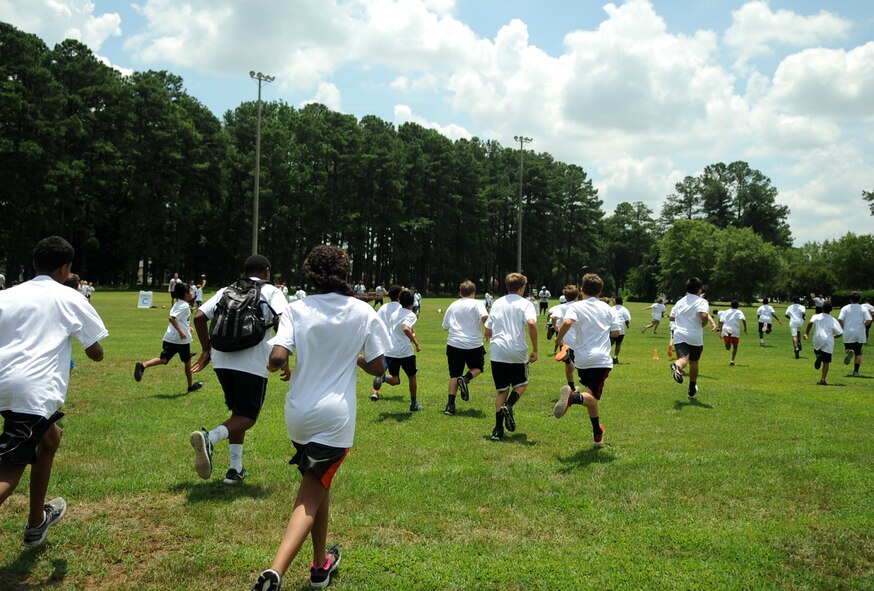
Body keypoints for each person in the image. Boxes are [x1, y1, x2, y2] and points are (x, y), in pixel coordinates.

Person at [253, 244, 389, 591]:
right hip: (334, 418)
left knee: (318, 484)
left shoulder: (297, 309)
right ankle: (276, 571)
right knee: (310, 496)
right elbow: (378, 366)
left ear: (309, 273)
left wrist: (278, 364)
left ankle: (320, 566)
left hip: (298, 414)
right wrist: (353, 356)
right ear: (345, 273)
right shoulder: (362, 311)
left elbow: (278, 354)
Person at [0, 236, 108, 547]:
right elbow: (95, 350)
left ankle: (36, 522)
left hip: (5, 382)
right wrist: (95, 351)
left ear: (35, 264)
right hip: (30, 390)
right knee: (10, 468)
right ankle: (35, 522)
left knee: (51, 437)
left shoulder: (8, 294)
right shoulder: (70, 297)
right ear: (64, 269)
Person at [188, 255, 287, 485]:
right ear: (267, 271)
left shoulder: (226, 289)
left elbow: (200, 316)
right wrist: (283, 359)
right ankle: (210, 438)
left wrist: (206, 349)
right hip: (253, 359)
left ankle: (235, 469)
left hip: (222, 359)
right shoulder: (271, 291)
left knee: (238, 414)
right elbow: (283, 321)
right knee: (248, 416)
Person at [554, 273, 620, 447]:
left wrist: (559, 339)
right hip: (601, 360)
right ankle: (572, 398)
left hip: (582, 360)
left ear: (582, 290)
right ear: (600, 292)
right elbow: (616, 333)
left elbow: (567, 322)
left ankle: (597, 434)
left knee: (591, 396)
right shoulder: (608, 308)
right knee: (591, 397)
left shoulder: (576, 307)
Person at [483, 273, 538, 441]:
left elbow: (487, 330)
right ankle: (509, 405)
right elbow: (531, 323)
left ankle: (498, 430)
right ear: (522, 288)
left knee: (502, 390)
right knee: (521, 384)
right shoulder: (525, 304)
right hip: (516, 349)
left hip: (497, 350)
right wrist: (535, 349)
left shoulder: (498, 303)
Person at [133, 282, 204, 393]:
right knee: (187, 361)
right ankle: (190, 386)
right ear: (185, 294)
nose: (191, 293)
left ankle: (143, 365)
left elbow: (180, 319)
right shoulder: (184, 305)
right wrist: (181, 332)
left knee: (164, 359)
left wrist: (187, 328)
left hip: (170, 338)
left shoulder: (178, 303)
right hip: (180, 341)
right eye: (190, 291)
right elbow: (172, 318)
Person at [441, 280, 488, 416]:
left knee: (454, 375)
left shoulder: (453, 304)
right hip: (473, 343)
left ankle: (450, 406)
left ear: (460, 293)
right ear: (474, 293)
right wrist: (488, 329)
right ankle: (466, 379)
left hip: (454, 343)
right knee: (478, 368)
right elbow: (485, 317)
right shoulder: (478, 303)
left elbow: (445, 326)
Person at [371, 290, 423, 411]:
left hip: (391, 350)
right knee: (412, 376)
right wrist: (416, 343)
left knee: (395, 380)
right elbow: (405, 328)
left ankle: (383, 378)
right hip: (405, 351)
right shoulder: (411, 315)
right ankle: (414, 404)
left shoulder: (394, 314)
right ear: (411, 302)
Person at [669, 277, 709, 399]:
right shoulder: (701, 301)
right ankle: (692, 386)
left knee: (683, 358)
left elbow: (671, 317)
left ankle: (677, 367)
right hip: (695, 336)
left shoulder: (680, 301)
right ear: (699, 289)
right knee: (694, 362)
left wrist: (683, 319)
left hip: (679, 335)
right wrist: (704, 323)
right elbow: (703, 315)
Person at [804, 301, 843, 385]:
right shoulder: (833, 320)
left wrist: (806, 333)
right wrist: (834, 336)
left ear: (822, 308)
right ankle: (823, 379)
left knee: (817, 351)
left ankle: (818, 356)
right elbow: (840, 333)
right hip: (828, 341)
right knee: (826, 362)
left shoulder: (816, 316)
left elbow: (810, 323)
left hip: (817, 339)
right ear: (831, 310)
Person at [838, 292, 872, 377]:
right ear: (859, 299)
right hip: (859, 332)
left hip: (848, 331)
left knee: (847, 348)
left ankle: (849, 351)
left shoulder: (845, 308)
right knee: (859, 353)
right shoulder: (863, 308)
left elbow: (840, 319)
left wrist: (843, 327)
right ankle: (856, 371)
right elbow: (868, 320)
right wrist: (863, 324)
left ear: (850, 299)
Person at [720, 300, 747, 366]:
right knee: (735, 347)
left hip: (726, 329)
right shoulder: (739, 311)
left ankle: (729, 336)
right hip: (735, 330)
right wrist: (745, 329)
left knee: (727, 348)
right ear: (738, 306)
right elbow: (743, 319)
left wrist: (720, 330)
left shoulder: (726, 311)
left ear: (730, 305)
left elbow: (721, 321)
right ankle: (732, 360)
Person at [611, 296, 631, 364]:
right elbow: (627, 319)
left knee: (609, 343)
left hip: (612, 327)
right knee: (618, 343)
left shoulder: (611, 308)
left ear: (615, 301)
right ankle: (615, 357)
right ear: (622, 302)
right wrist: (627, 325)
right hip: (621, 328)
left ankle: (606, 356)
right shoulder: (625, 309)